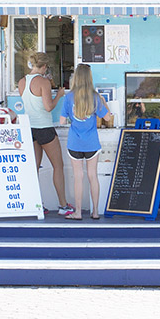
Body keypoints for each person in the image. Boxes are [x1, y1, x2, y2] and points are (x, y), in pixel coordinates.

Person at [17, 52, 73, 216]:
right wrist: (59, 95)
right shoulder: (44, 82)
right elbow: (49, 107)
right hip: (45, 128)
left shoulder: (21, 82)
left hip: (30, 128)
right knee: (58, 166)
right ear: (44, 66)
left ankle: (34, 204)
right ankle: (63, 206)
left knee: (34, 168)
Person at [59, 63, 112, 220]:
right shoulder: (95, 97)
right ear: (89, 78)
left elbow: (62, 121)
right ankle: (95, 212)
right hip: (92, 144)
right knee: (92, 176)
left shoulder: (69, 97)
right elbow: (107, 117)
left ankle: (77, 213)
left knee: (78, 177)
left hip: (75, 143)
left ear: (76, 77)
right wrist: (103, 101)